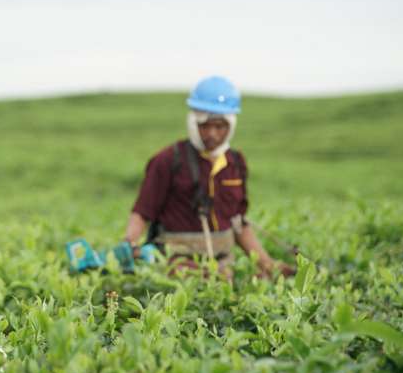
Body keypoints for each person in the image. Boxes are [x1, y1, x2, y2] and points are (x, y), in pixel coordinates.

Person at [123, 76, 294, 280]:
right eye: (204, 126)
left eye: (220, 126)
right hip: (175, 267)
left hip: (223, 266)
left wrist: (268, 264)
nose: (212, 134)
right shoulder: (168, 160)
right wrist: (129, 244)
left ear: (231, 125)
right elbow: (143, 212)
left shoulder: (235, 163)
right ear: (193, 122)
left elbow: (238, 223)